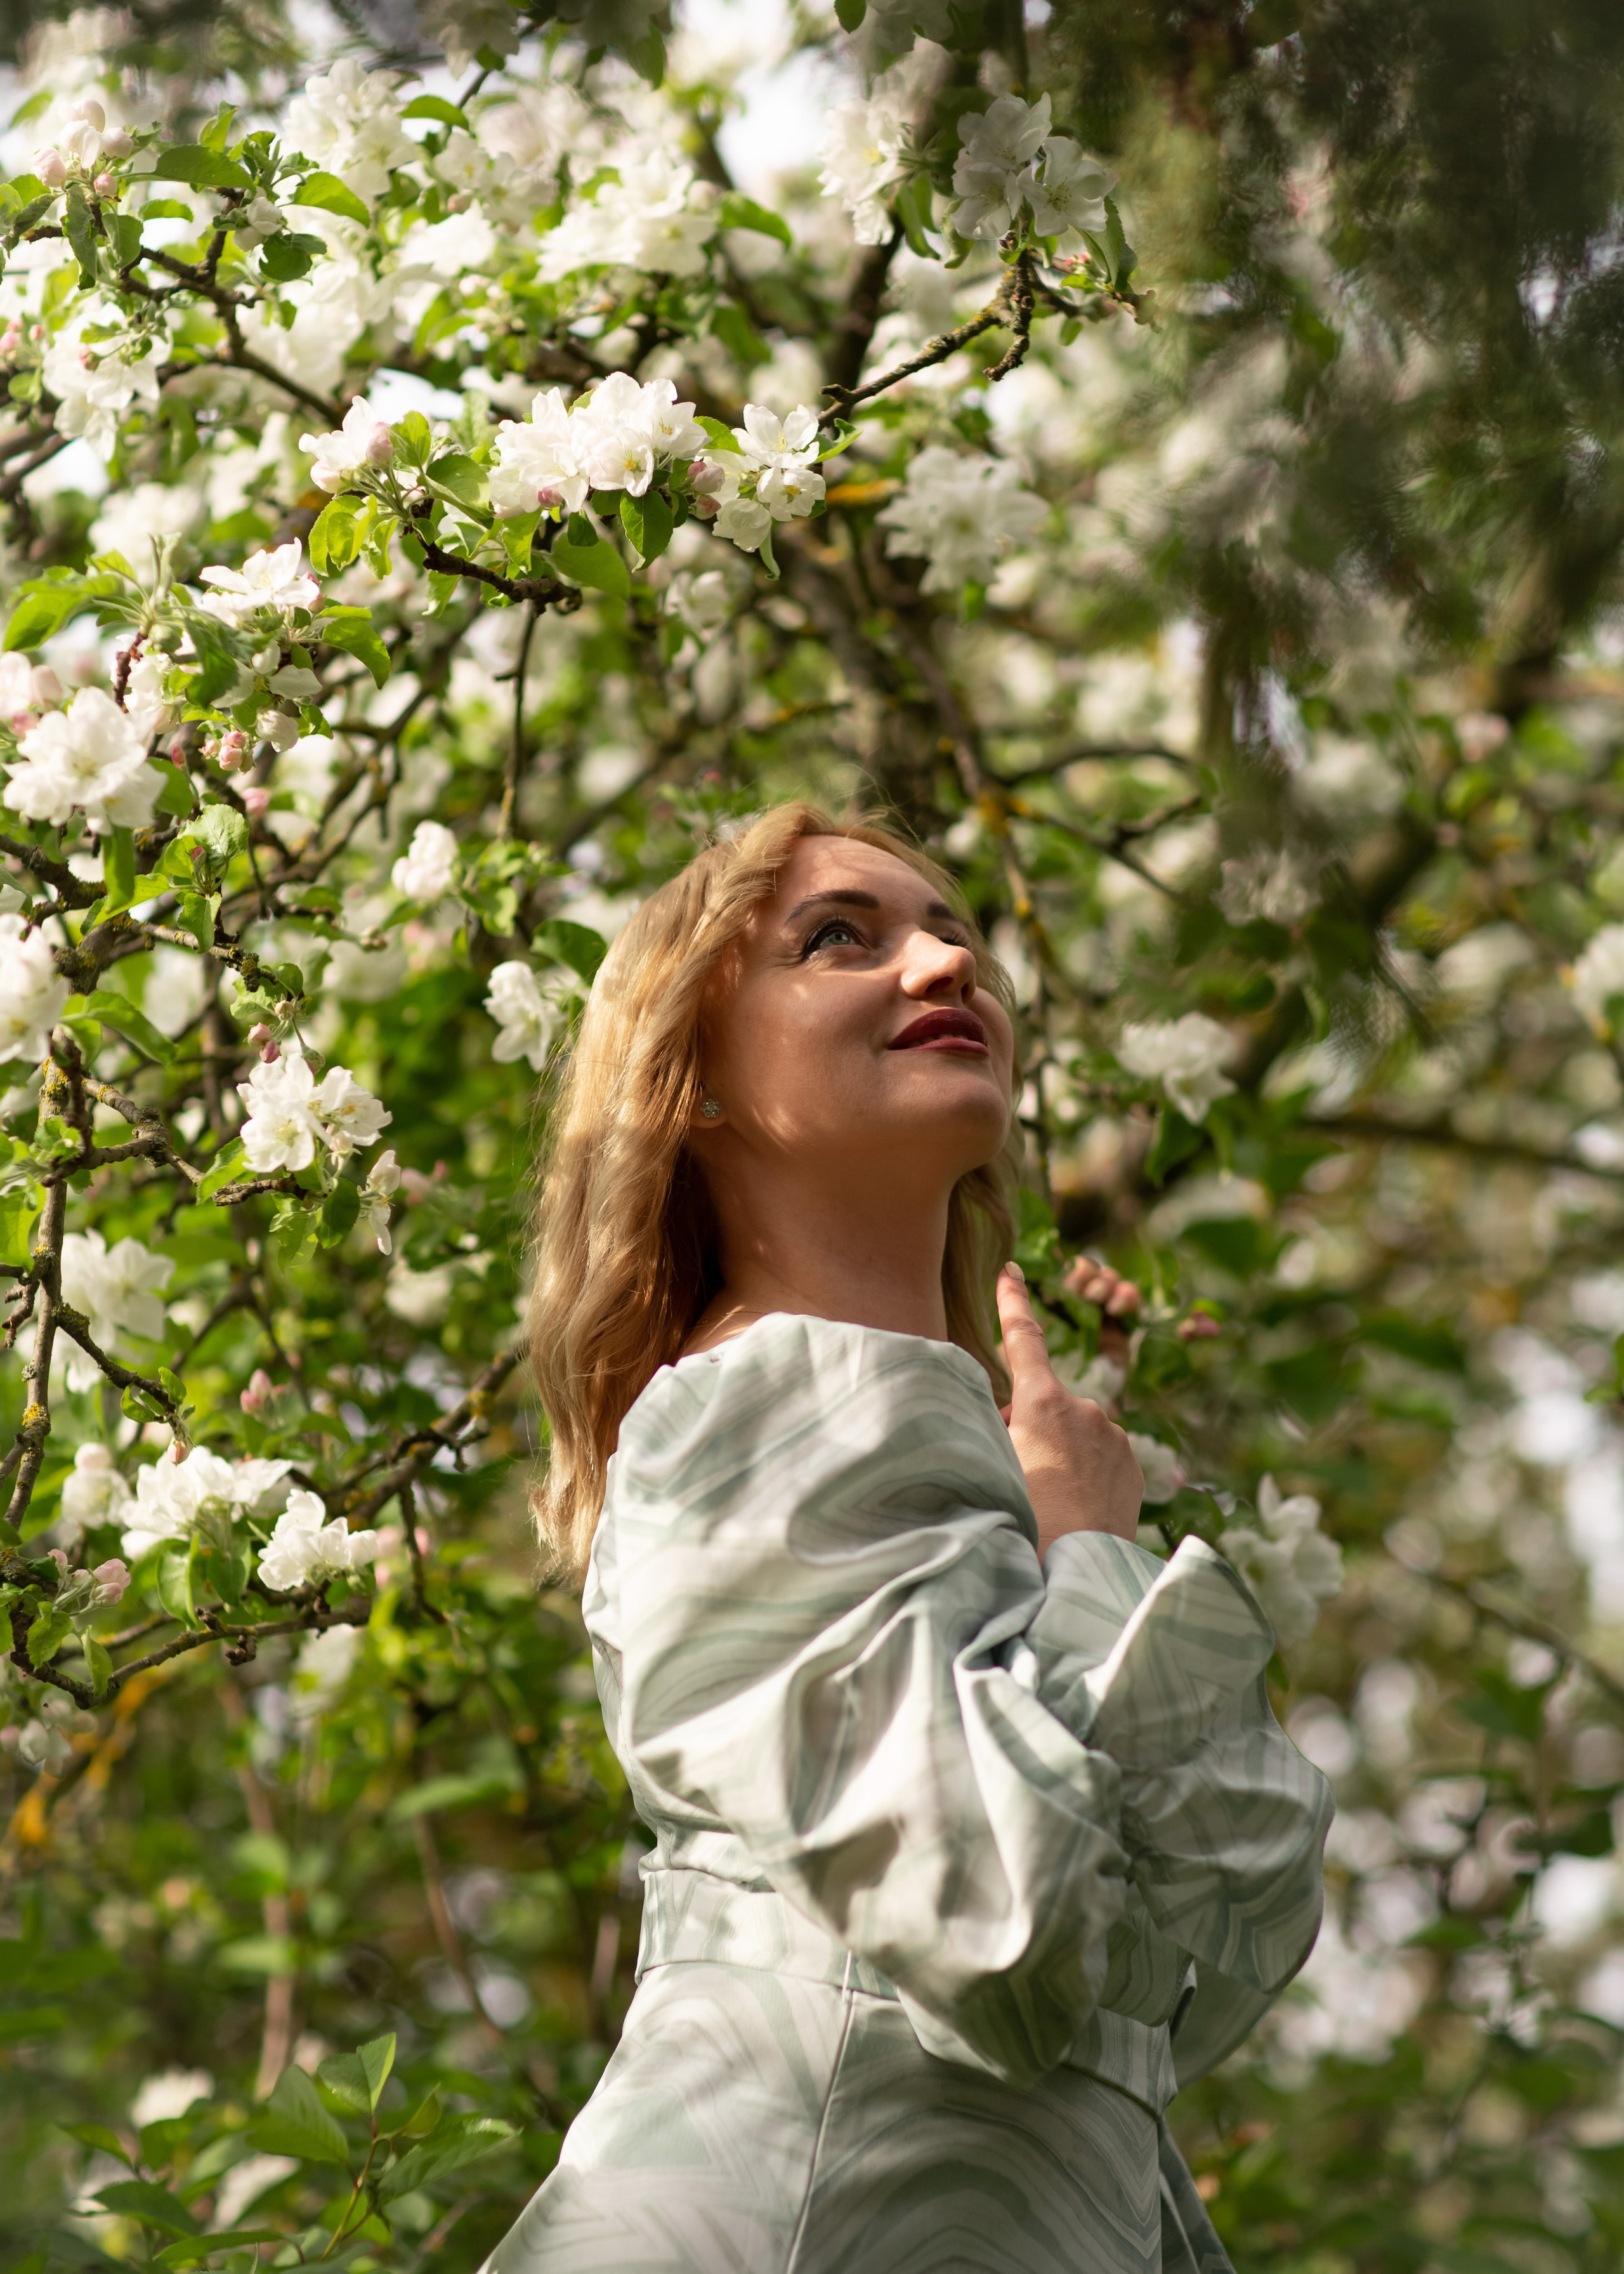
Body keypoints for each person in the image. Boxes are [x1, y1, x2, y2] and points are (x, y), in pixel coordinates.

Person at [484, 804, 1332, 2274]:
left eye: (951, 929)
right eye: (838, 939)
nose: (944, 962)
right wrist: (1090, 1565)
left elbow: (1185, 1980)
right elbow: (998, 1918)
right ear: (691, 1085)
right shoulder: (736, 1420)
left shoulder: (936, 1440)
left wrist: (1068, 1546)